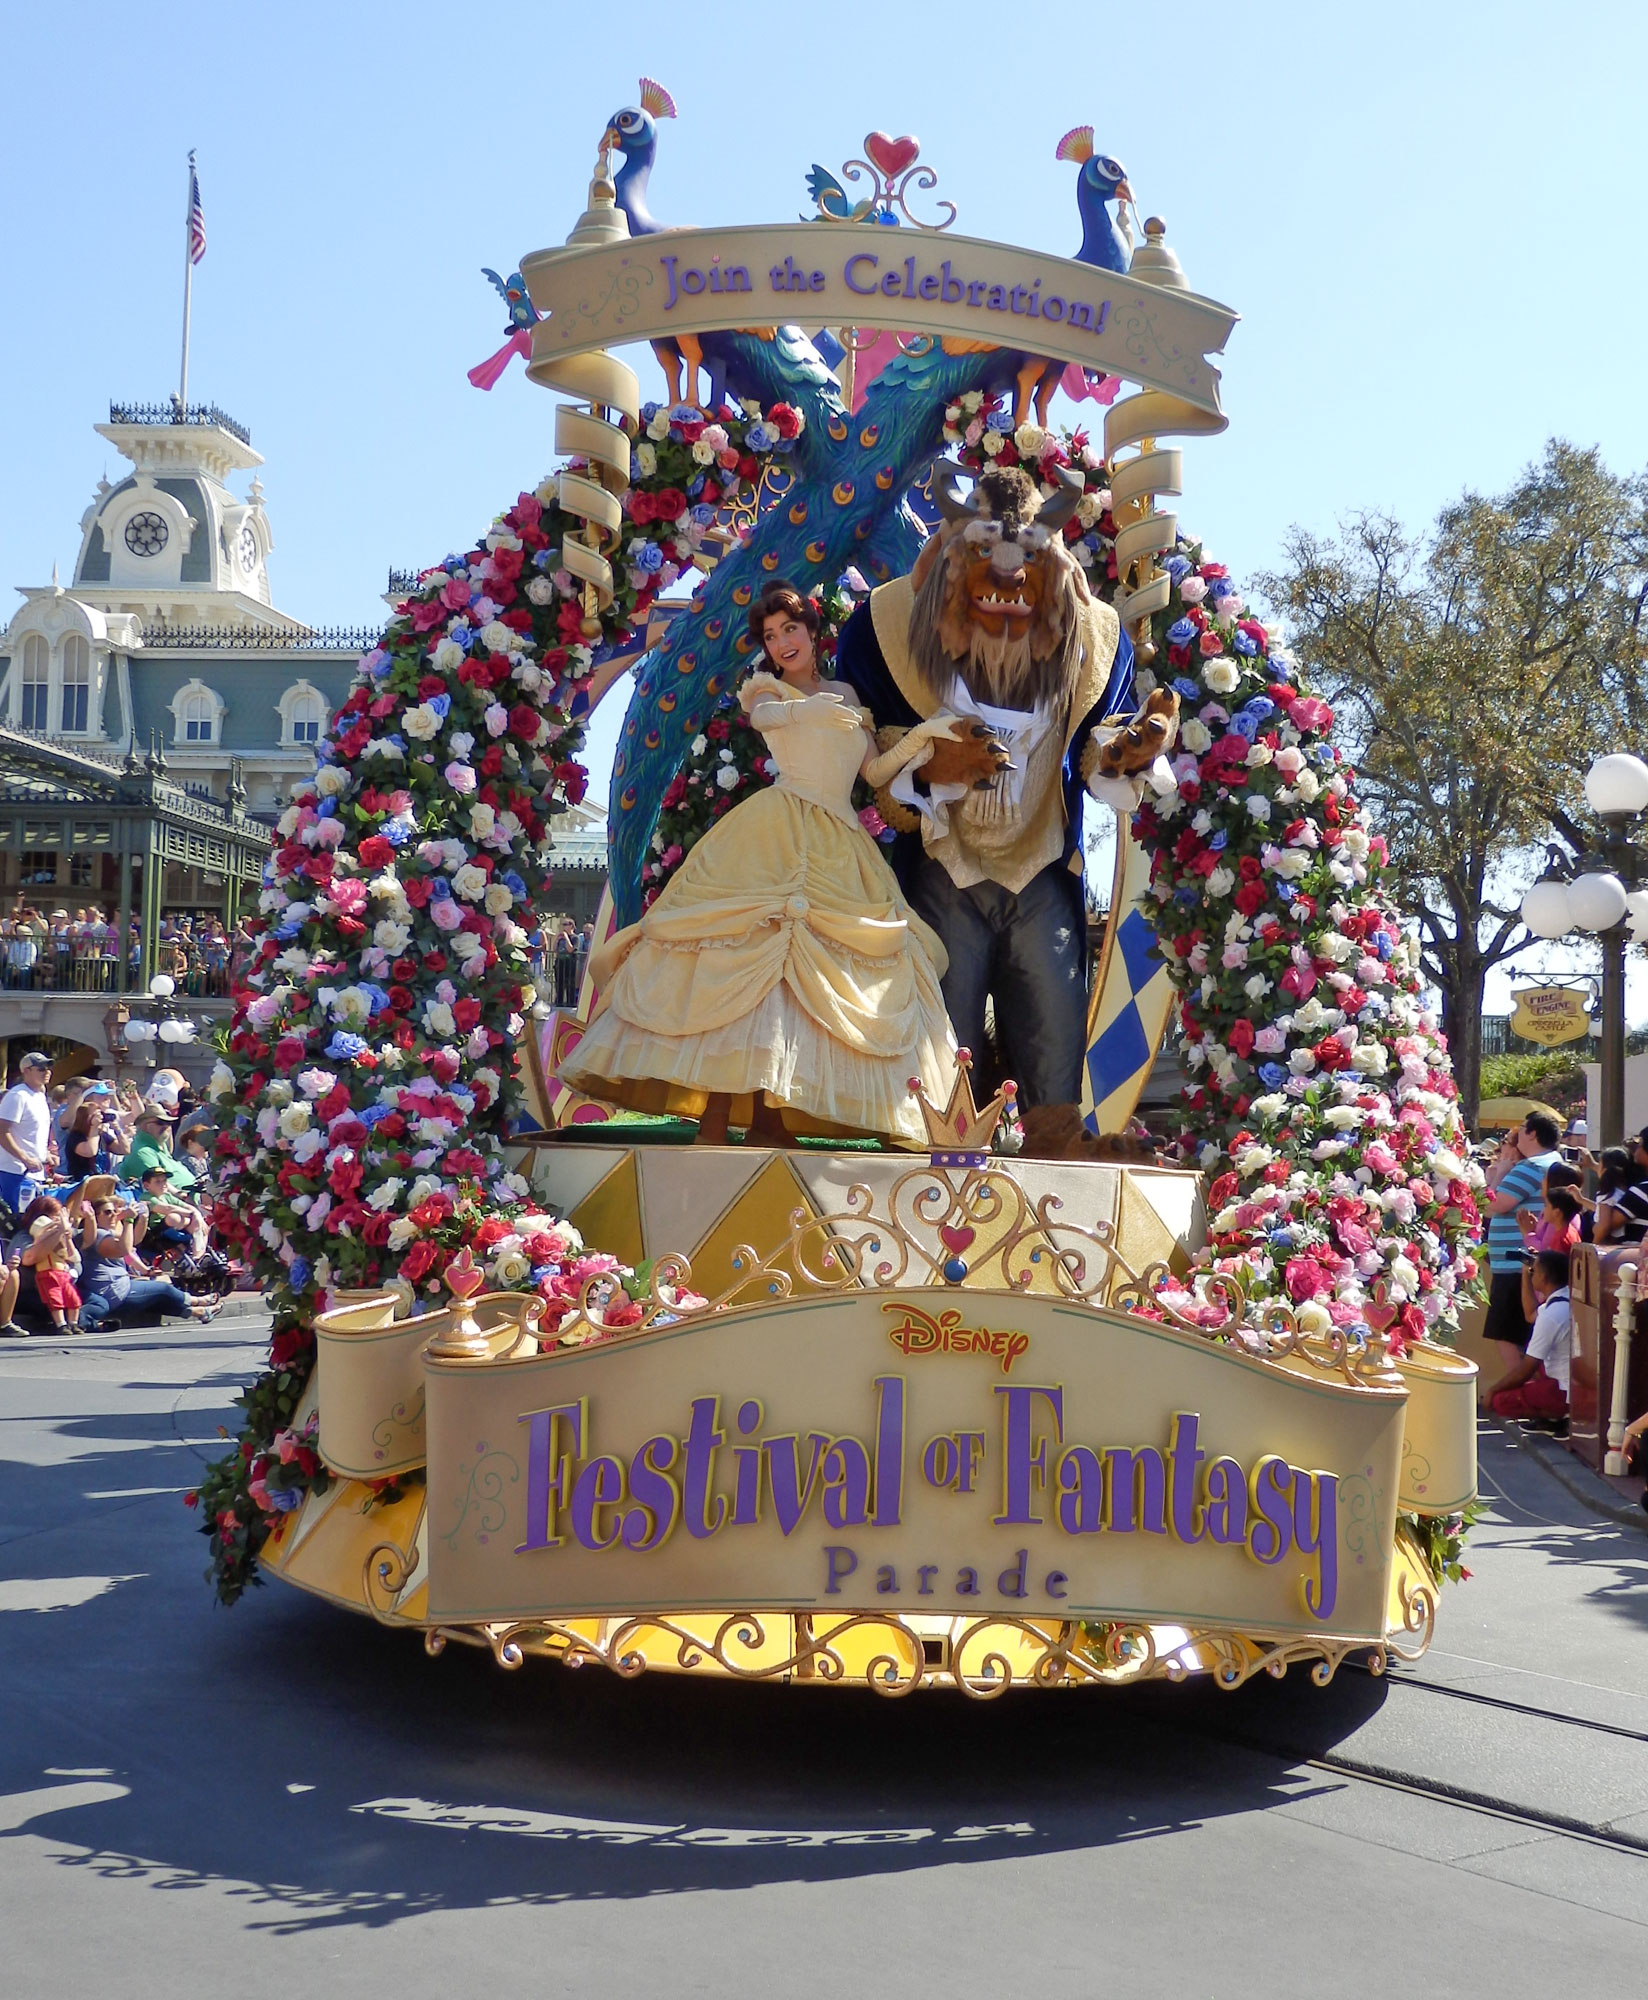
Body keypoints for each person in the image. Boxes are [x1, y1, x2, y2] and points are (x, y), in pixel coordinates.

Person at [560, 581, 960, 1148]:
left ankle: (771, 1119)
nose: (781, 643)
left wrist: (921, 737)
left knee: (794, 989)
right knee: (749, 967)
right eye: (771, 636)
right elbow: (767, 720)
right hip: (777, 833)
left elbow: (872, 775)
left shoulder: (847, 693)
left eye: (789, 630)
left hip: (840, 841)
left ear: (812, 632)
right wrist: (811, 709)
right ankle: (716, 1119)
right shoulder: (766, 690)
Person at [1482, 1112, 1564, 1373]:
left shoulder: (1532, 1166)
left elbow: (1492, 1205)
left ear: (1533, 1134)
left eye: (1523, 1128)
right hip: (1523, 1262)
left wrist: (1502, 1172)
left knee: (1506, 1333)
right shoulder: (1549, 1162)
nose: (1517, 1135)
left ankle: (1520, 1391)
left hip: (1515, 1265)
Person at [76, 1194, 217, 1331]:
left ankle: (199, 1312)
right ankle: (197, 1301)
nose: (113, 1214)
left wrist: (143, 1217)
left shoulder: (105, 1232)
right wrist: (129, 1221)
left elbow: (135, 1240)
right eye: (107, 1212)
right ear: (95, 1216)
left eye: (115, 1211)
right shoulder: (98, 1235)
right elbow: (123, 1249)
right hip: (112, 1291)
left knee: (157, 1301)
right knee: (163, 1289)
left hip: (117, 1286)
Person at [1488, 1248, 1571, 1425]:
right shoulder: (1564, 1298)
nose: (1531, 1272)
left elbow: (1526, 1369)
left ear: (1544, 1277)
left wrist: (1491, 1391)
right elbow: (1530, 1314)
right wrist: (1525, 1275)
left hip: (1564, 1391)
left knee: (1500, 1400)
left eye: (1535, 1270)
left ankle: (1557, 1418)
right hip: (1568, 1382)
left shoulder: (1551, 1315)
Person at [0, 1051, 57, 1216]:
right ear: (26, 1070)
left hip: (35, 1172)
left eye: (48, 1068)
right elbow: (2, 1131)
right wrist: (24, 1158)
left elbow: (33, 1131)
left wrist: (45, 1153)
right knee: (18, 1221)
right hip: (15, 1171)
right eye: (40, 1068)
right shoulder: (18, 1095)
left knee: (33, 1220)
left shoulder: (40, 1095)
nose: (46, 1072)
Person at [21, 1194, 81, 1332]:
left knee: (75, 1299)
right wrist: (59, 1228)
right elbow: (30, 1256)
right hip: (37, 1286)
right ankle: (61, 1325)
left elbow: (75, 1258)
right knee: (55, 1300)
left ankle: (74, 1323)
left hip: (64, 1276)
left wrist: (66, 1235)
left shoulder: (62, 1236)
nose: (57, 1219)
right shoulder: (29, 1234)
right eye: (54, 1215)